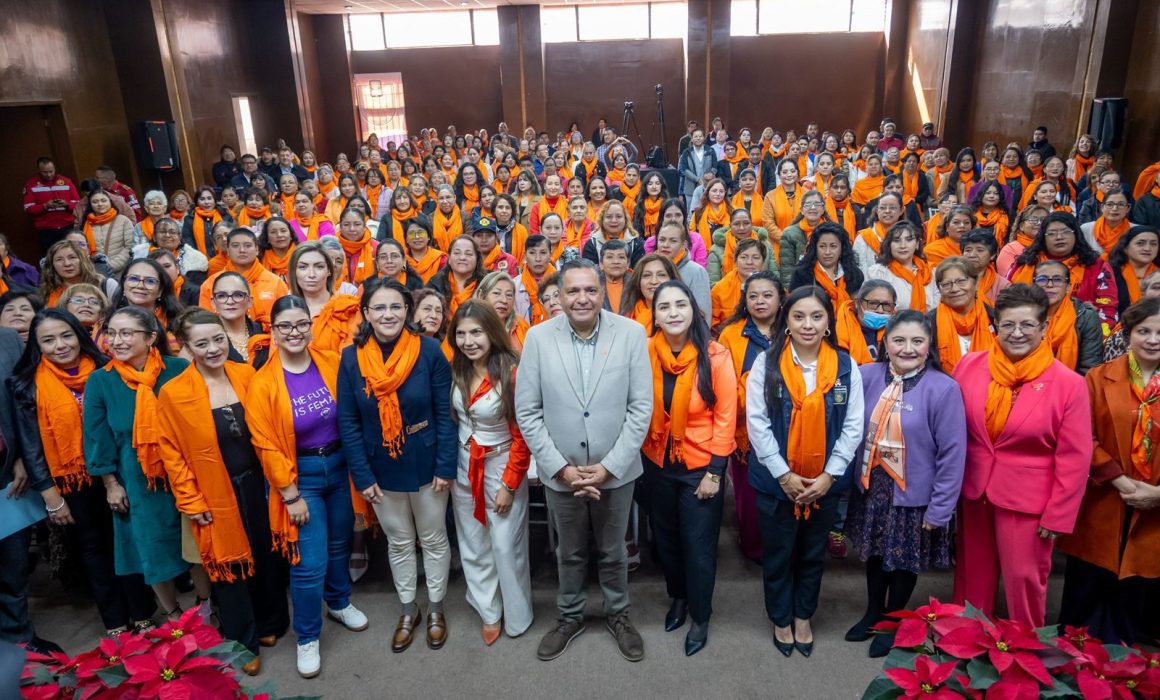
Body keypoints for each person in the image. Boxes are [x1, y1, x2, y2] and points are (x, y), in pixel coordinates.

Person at [516, 259, 652, 663]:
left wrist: (609, 467)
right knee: (569, 551)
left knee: (614, 550)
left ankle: (619, 614)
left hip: (617, 470)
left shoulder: (631, 334)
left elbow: (640, 408)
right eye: (572, 291)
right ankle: (570, 616)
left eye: (590, 290)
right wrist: (561, 468)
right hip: (563, 472)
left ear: (602, 292)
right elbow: (528, 411)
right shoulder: (539, 338)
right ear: (558, 296)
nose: (582, 298)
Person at [952, 283, 1093, 627]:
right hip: (975, 492)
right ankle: (969, 640)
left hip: (1029, 500)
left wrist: (1059, 515)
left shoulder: (1068, 383)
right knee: (973, 574)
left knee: (1024, 580)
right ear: (994, 326)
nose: (1017, 333)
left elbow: (1075, 457)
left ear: (1044, 328)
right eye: (1008, 325)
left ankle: (1026, 651)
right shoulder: (970, 366)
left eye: (1027, 325)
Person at [158, 310, 289, 674]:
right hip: (212, 490)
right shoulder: (174, 392)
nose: (214, 348)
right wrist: (190, 499)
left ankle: (271, 623)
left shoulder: (247, 374)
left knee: (266, 554)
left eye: (219, 339)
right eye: (202, 343)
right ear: (187, 347)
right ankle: (242, 641)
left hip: (257, 482)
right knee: (228, 567)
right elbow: (172, 453)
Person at [246, 296, 368, 678]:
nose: (294, 332)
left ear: (311, 326)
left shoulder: (330, 362)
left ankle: (339, 601)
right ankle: (307, 636)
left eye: (301, 324)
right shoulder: (263, 381)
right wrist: (290, 493)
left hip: (340, 466)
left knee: (338, 547)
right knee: (308, 563)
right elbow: (263, 442)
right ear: (273, 330)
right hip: (301, 478)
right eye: (285, 326)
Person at [337, 278, 455, 653]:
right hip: (379, 466)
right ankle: (409, 610)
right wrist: (362, 474)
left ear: (407, 311)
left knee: (434, 538)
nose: (388, 314)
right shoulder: (351, 357)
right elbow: (349, 421)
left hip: (426, 460)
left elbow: (445, 413)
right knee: (400, 542)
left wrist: (445, 466)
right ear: (366, 313)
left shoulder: (430, 350)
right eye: (379, 307)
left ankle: (435, 608)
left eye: (396, 307)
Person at [746, 286, 865, 657]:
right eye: (799, 316)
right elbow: (758, 424)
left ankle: (803, 616)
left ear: (829, 321)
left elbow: (853, 427)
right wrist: (784, 475)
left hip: (824, 484)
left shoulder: (847, 366)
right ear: (787, 321)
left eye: (816, 316)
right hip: (776, 482)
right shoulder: (766, 365)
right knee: (779, 552)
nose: (808, 324)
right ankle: (781, 618)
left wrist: (829, 476)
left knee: (814, 553)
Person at [845, 310, 966, 658]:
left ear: (929, 345)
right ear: (885, 342)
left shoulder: (943, 388)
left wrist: (940, 507)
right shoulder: (865, 375)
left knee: (902, 560)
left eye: (917, 341)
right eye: (899, 340)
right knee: (874, 553)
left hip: (914, 494)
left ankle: (892, 620)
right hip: (872, 486)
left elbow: (953, 453)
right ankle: (872, 611)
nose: (907, 348)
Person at [1057, 297, 1160, 644]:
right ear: (1128, 334)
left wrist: (1156, 494)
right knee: (1090, 574)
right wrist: (1119, 479)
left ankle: (1127, 649)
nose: (1152, 339)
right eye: (1143, 330)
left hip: (1154, 502)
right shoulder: (1100, 377)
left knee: (1139, 576)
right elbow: (1082, 435)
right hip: (1105, 493)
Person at [642, 280, 736, 656]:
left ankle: (700, 615)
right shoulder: (645, 351)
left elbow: (726, 418)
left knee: (698, 547)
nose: (673, 313)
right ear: (656, 316)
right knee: (665, 541)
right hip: (656, 462)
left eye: (680, 304)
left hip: (701, 466)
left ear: (694, 310)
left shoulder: (716, 356)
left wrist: (715, 473)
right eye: (664, 307)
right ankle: (678, 598)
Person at [82, 306, 192, 623]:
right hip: (136, 476)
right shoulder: (101, 381)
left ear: (151, 337)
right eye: (111, 333)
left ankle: (204, 602)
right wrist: (111, 484)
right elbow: (97, 437)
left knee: (195, 540)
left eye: (126, 333)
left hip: (184, 470)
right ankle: (171, 612)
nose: (116, 340)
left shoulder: (177, 369)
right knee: (150, 546)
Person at [448, 300, 533, 645]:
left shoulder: (512, 371)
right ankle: (488, 609)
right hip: (463, 465)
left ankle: (517, 613)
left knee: (504, 545)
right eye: (461, 333)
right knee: (472, 542)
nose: (468, 341)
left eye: (476, 332)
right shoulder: (457, 368)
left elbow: (523, 435)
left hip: (501, 466)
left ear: (492, 333)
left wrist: (510, 486)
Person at [717, 272, 781, 562]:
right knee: (749, 493)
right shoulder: (732, 333)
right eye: (753, 296)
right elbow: (725, 383)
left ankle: (784, 547)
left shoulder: (791, 328)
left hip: (787, 424)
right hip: (744, 428)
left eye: (767, 295)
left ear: (781, 298)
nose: (760, 301)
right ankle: (754, 547)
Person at [1008, 212, 1119, 330]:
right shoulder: (1025, 262)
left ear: (1076, 234)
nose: (1059, 237)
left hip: (1081, 333)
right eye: (1052, 233)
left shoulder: (1095, 265)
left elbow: (1108, 308)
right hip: (1027, 332)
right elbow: (1007, 299)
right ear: (1043, 238)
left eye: (1066, 232)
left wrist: (1094, 338)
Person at [199, 228, 290, 329]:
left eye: (247, 245)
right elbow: (206, 323)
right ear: (228, 251)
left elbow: (285, 321)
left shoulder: (276, 283)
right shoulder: (210, 284)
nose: (242, 250)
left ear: (257, 250)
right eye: (235, 246)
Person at [1030, 259, 1104, 375]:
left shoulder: (1085, 317)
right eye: (1042, 279)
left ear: (1068, 287)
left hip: (1071, 386)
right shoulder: (1024, 314)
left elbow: (1089, 369)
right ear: (1033, 284)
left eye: (1057, 279)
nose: (1050, 285)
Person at [928, 257, 995, 374]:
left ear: (976, 284)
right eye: (946, 284)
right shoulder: (928, 324)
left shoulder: (995, 318)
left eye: (961, 281)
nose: (954, 289)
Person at [866, 221, 939, 312]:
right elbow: (871, 307)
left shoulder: (931, 272)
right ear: (889, 245)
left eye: (909, 240)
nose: (903, 246)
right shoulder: (878, 273)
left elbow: (937, 309)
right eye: (897, 240)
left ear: (917, 244)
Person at [789, 222, 864, 306]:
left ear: (842, 248)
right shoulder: (801, 274)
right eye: (822, 246)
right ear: (815, 247)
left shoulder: (855, 275)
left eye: (833, 246)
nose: (827, 252)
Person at [23, 157, 81, 252]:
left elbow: (78, 204)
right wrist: (45, 206)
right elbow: (29, 209)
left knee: (74, 253)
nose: (49, 175)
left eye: (51, 171)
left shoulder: (66, 181)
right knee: (51, 256)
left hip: (68, 226)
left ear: (55, 169)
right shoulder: (31, 184)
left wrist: (66, 205)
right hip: (46, 229)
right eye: (45, 172)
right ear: (39, 170)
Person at [1107, 225, 1160, 316]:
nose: (1147, 248)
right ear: (1125, 248)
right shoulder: (1109, 273)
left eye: (1153, 244)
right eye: (1140, 243)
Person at [853, 194, 904, 273]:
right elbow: (859, 269)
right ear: (877, 211)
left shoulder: (908, 238)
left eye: (892, 207)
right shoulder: (863, 238)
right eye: (882, 208)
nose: (887, 211)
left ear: (901, 210)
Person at [1081, 190, 1133, 256]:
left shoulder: (1135, 231)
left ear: (1128, 208)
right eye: (1110, 204)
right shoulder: (1087, 229)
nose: (1114, 208)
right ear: (1102, 207)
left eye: (1120, 204)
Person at [678, 129, 716, 210]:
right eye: (695, 136)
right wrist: (697, 179)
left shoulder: (710, 150)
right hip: (690, 186)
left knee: (708, 209)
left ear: (704, 138)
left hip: (708, 185)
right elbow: (684, 169)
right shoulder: (686, 152)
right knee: (691, 210)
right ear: (692, 139)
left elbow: (715, 166)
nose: (698, 138)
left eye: (700, 136)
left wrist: (710, 175)